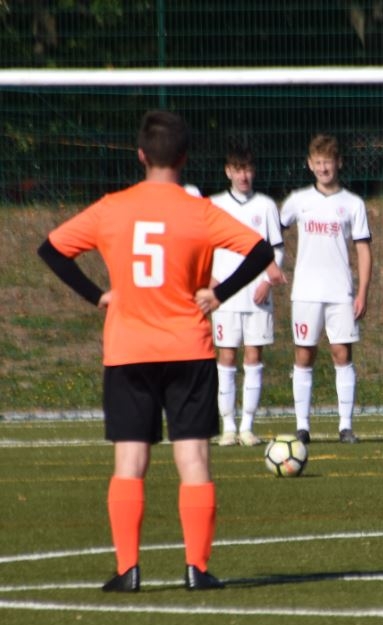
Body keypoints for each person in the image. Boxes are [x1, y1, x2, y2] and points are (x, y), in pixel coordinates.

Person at [36, 110, 283, 592]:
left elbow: (51, 250)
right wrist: (219, 293)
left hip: (128, 349)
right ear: (185, 158)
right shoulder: (200, 211)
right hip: (187, 348)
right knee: (194, 458)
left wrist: (96, 296)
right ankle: (197, 569)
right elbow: (260, 251)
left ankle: (128, 569)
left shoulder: (111, 208)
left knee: (130, 462)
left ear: (141, 155)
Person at [280, 134, 372, 445]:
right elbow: (273, 232)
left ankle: (345, 426)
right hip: (305, 292)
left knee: (341, 353)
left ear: (339, 163)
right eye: (318, 163)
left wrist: (362, 292)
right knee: (303, 354)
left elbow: (363, 250)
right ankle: (302, 427)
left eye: (328, 162)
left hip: (340, 292)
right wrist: (270, 267)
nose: (323, 168)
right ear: (310, 164)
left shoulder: (353, 204)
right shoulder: (298, 200)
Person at [209, 142, 286, 447]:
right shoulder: (214, 204)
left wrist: (267, 281)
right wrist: (209, 278)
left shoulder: (265, 206)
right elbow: (204, 246)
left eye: (248, 170)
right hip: (224, 296)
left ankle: (247, 426)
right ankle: (228, 426)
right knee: (227, 356)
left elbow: (276, 249)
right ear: (228, 171)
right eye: (238, 170)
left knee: (254, 356)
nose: (244, 176)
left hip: (257, 296)